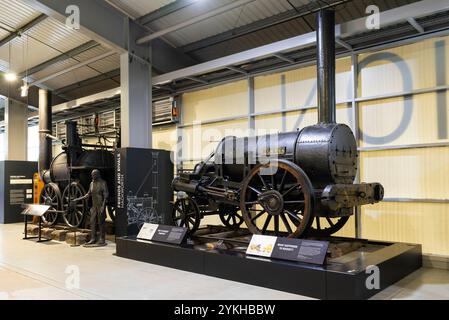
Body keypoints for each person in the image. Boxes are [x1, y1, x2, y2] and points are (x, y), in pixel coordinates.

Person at [71, 169, 109, 246]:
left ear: (97, 175)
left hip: (101, 205)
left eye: (93, 175)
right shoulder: (91, 183)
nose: (92, 176)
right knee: (92, 222)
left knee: (101, 223)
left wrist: (103, 207)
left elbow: (106, 195)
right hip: (94, 206)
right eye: (92, 175)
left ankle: (102, 239)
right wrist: (77, 199)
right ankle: (93, 239)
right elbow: (88, 194)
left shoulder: (103, 183)